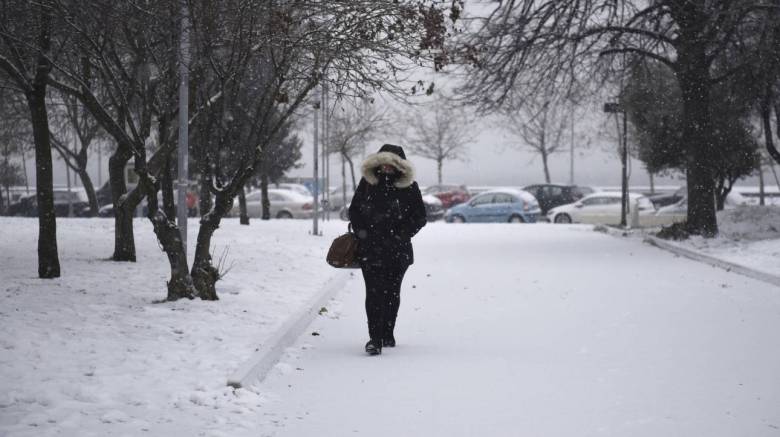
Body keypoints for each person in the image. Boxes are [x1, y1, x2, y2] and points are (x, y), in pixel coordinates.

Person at [349, 144, 427, 356]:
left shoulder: (409, 187)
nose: (387, 167)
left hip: (397, 251)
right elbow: (354, 210)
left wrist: (402, 234)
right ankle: (374, 338)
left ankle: (387, 332)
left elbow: (420, 216)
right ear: (377, 163)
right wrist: (362, 232)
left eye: (391, 164)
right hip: (370, 250)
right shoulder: (367, 184)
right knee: (373, 294)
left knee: (392, 293)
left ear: (399, 166)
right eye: (383, 163)